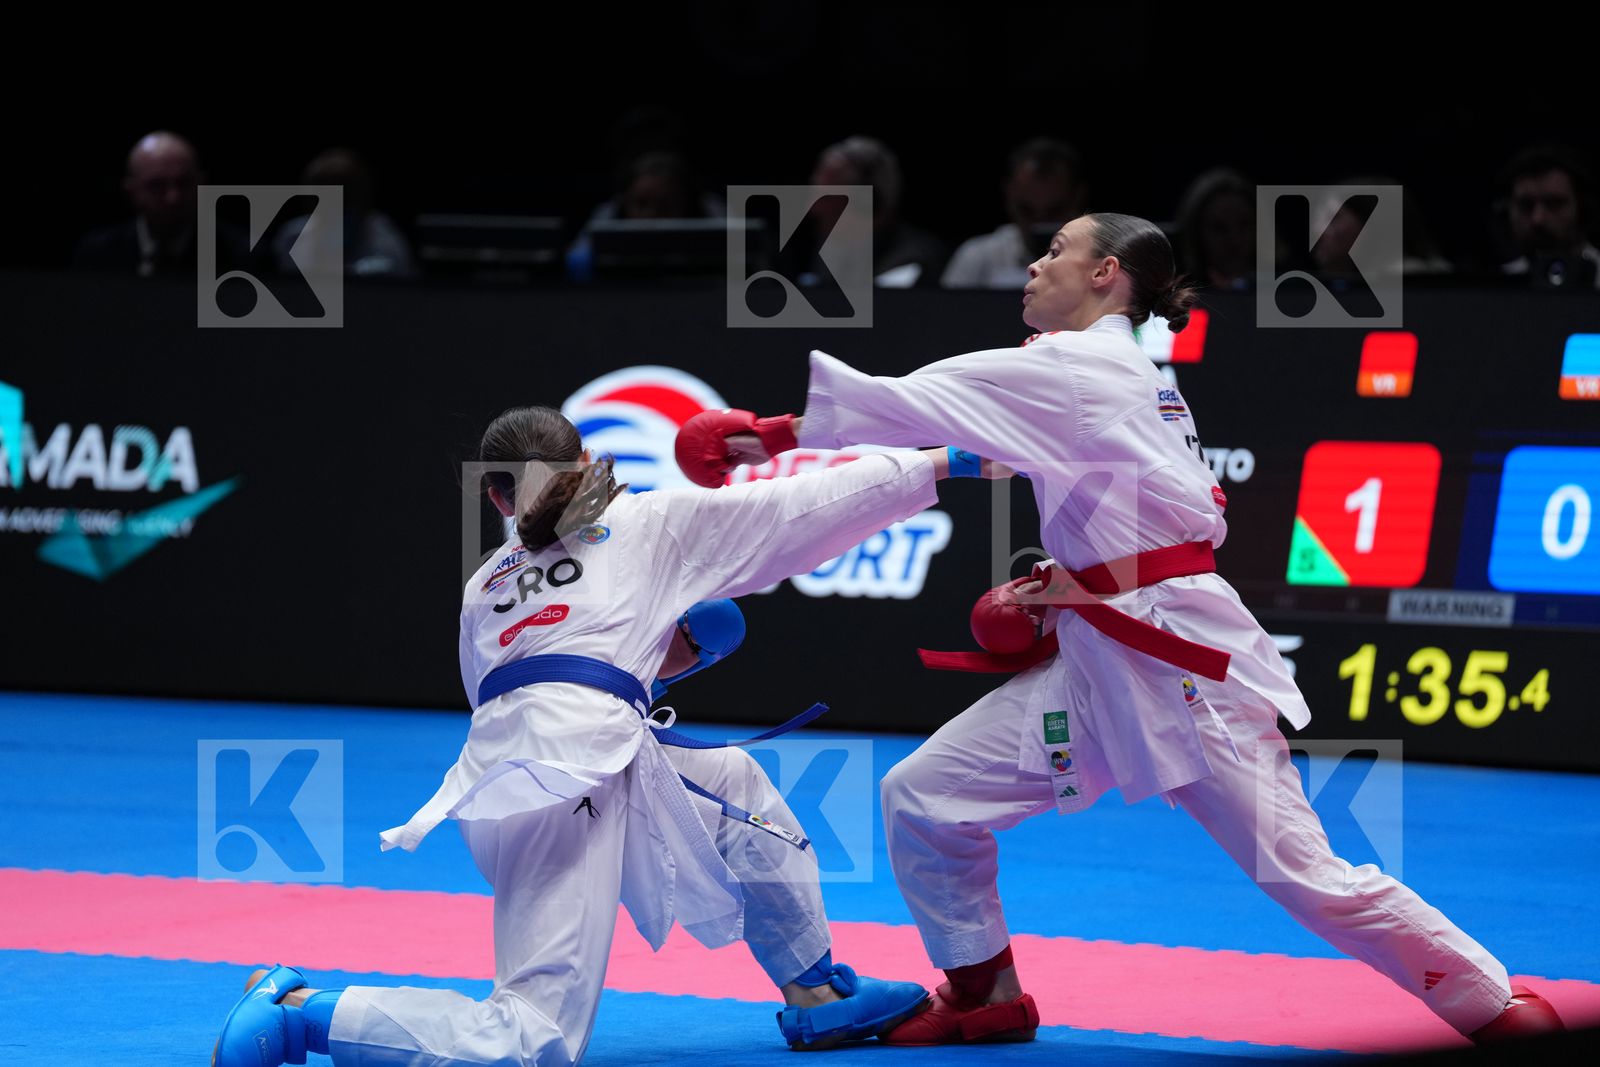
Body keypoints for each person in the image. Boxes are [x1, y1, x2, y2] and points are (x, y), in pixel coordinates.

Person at [675, 212, 1565, 1047]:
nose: (1034, 263)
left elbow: (917, 401)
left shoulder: (1074, 368)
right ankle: (985, 998)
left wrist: (759, 438)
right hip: (1100, 657)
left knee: (1303, 873)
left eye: (1055, 251)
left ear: (1106, 273)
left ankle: (1497, 1006)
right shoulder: (1115, 375)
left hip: (1176, 664)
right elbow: (996, 450)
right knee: (926, 797)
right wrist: (1063, 583)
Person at [211, 405, 1009, 1066]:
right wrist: (944, 462)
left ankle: (817, 992)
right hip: (566, 782)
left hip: (517, 776)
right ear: (587, 460)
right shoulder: (643, 519)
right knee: (530, 1039)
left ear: (494, 499)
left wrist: (641, 667)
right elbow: (798, 510)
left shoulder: (483, 582)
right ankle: (301, 1013)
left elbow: (520, 684)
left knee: (736, 787)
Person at [73, 131, 251, 278]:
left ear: (200, 184)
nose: (173, 197)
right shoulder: (98, 255)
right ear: (132, 191)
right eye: (157, 186)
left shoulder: (242, 256)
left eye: (184, 183)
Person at [942, 138, 1087, 289]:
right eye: (1027, 210)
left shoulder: (1097, 258)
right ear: (1008, 194)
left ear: (1078, 197)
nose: (1039, 222)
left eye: (1054, 211)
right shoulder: (976, 256)